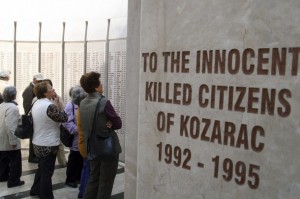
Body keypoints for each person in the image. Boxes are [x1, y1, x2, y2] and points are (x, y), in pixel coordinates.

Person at [78, 71, 122, 199]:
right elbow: (118, 123)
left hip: (92, 148)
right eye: (101, 84)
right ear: (97, 87)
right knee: (105, 184)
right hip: (107, 149)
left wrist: (107, 123)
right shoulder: (104, 102)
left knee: (94, 180)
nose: (102, 86)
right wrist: (110, 124)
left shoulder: (83, 103)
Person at [29, 81, 67, 198]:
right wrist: (59, 105)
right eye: (51, 88)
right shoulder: (49, 106)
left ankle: (35, 189)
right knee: (47, 173)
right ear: (45, 93)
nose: (53, 89)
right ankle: (46, 196)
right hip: (48, 144)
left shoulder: (36, 103)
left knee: (42, 168)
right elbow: (64, 118)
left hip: (37, 142)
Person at [0, 86, 25, 188]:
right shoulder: (13, 108)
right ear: (14, 96)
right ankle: (14, 181)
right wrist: (13, 141)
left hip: (2, 138)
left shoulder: (2, 105)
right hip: (9, 139)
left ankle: (2, 176)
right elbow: (11, 126)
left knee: (3, 160)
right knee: (15, 161)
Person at [63, 86, 86, 188]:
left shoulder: (81, 104)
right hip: (75, 137)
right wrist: (79, 130)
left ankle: (77, 176)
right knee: (73, 157)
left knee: (80, 157)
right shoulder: (70, 106)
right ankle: (70, 179)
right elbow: (67, 122)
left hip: (81, 137)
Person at [43, 79, 67, 167]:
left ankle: (63, 162)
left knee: (59, 145)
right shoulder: (40, 101)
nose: (53, 90)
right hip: (46, 129)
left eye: (51, 87)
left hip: (56, 127)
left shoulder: (56, 98)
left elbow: (62, 112)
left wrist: (57, 101)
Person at [22, 73, 44, 163]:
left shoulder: (34, 89)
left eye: (41, 81)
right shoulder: (29, 90)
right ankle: (32, 156)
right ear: (34, 79)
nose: (39, 82)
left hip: (35, 117)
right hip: (31, 118)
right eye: (38, 81)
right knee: (32, 137)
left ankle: (34, 155)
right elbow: (27, 106)